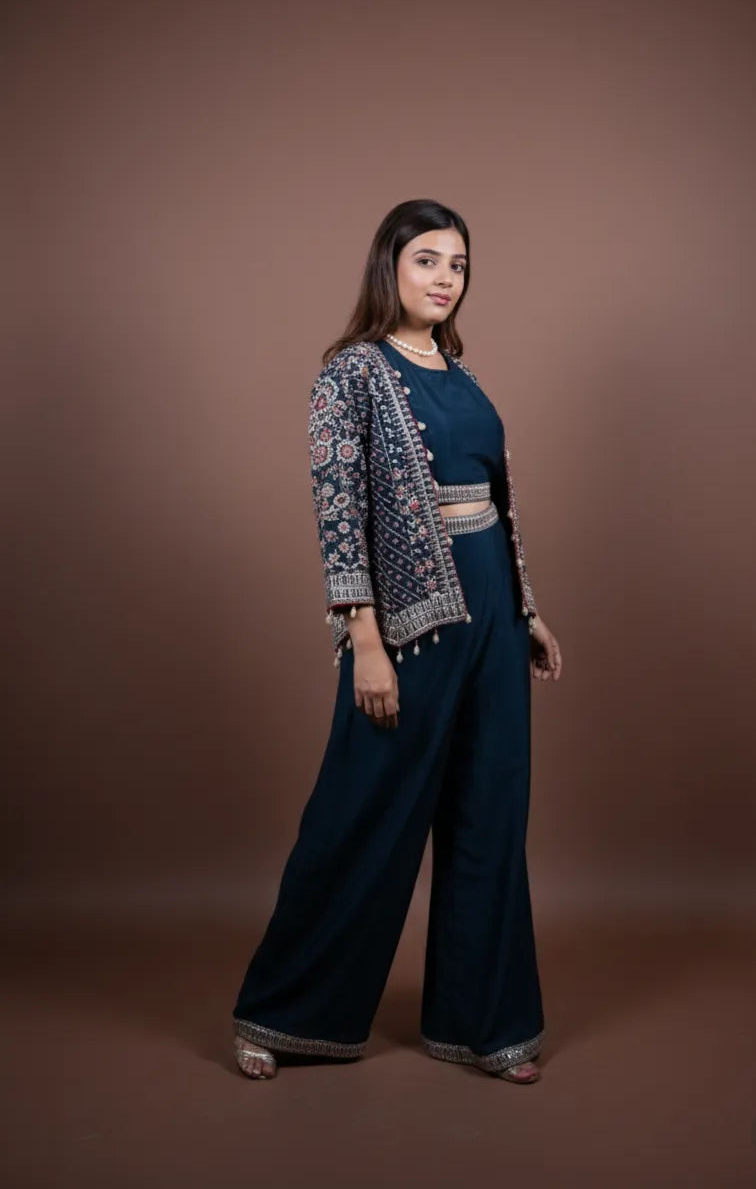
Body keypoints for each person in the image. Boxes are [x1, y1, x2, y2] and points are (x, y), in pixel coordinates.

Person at [231, 198, 562, 1085]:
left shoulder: (462, 375)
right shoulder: (351, 374)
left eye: (458, 264)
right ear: (390, 266)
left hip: (492, 615)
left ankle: (488, 1026)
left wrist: (526, 610)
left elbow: (497, 501)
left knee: (491, 814)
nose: (445, 278)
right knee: (363, 814)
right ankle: (284, 1012)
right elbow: (339, 514)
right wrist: (364, 640)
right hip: (410, 625)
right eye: (427, 260)